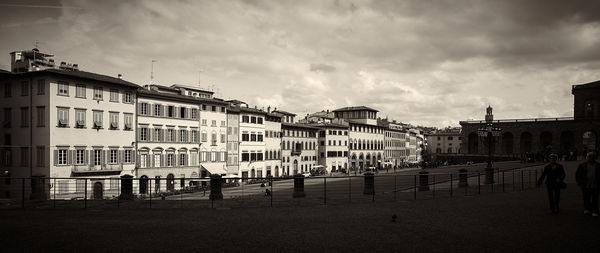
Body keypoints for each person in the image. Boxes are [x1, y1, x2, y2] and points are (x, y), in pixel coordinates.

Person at [575, 152, 600, 216]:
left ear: (594, 158)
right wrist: (579, 182)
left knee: (595, 198)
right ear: (587, 157)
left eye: (592, 157)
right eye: (589, 157)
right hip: (585, 184)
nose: (590, 158)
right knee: (586, 197)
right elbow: (578, 174)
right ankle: (587, 208)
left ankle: (595, 210)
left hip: (595, 184)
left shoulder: (598, 165)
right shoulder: (582, 165)